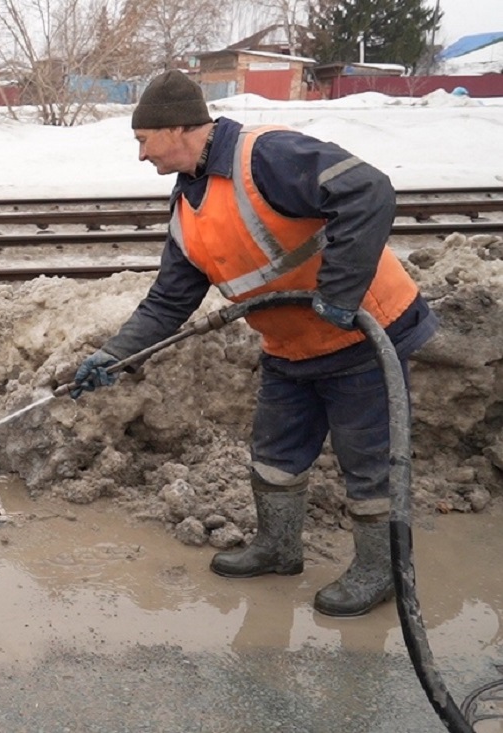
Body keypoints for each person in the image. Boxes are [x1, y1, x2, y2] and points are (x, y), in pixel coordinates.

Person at [69, 70, 437, 618]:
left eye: (143, 141)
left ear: (175, 129)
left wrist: (339, 292)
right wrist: (112, 356)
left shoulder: (265, 156)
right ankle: (279, 547)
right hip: (291, 350)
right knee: (274, 455)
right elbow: (168, 303)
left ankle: (378, 571)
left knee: (369, 463)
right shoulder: (187, 209)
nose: (141, 155)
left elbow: (368, 189)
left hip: (364, 335)